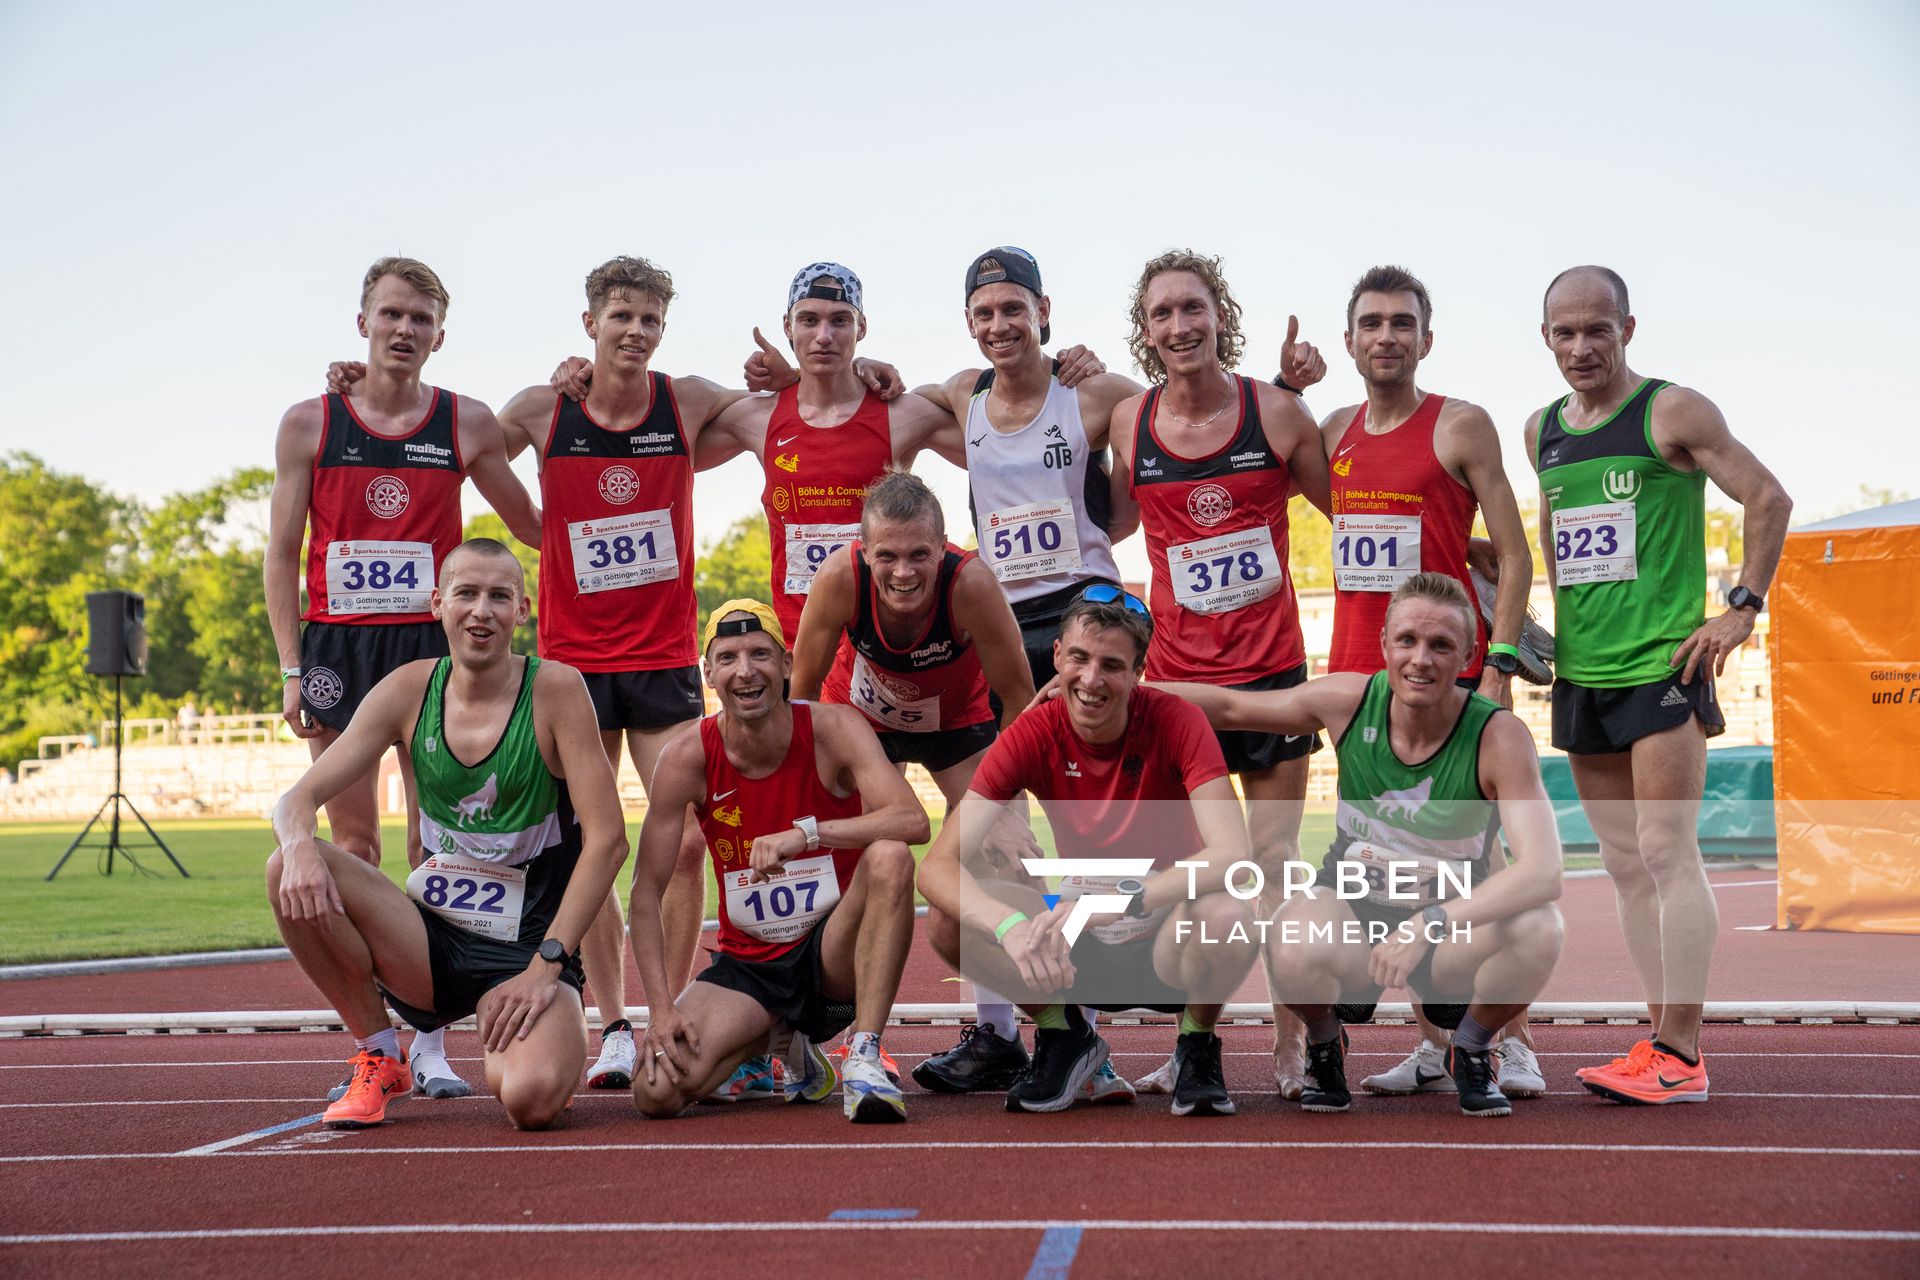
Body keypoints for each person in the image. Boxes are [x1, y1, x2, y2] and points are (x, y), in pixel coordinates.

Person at [268, 257, 541, 1101]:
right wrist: (289, 663)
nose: (404, 329)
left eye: (420, 318)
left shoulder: (465, 424)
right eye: (391, 314)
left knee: (437, 845)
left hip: (432, 651)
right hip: (338, 653)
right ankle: (379, 1042)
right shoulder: (310, 423)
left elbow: (533, 521)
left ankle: (428, 1040)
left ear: (439, 335)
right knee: (351, 845)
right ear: (363, 324)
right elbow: (281, 551)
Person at [1159, 572, 1566, 1117]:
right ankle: (1325, 1042)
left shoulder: (1499, 737)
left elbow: (1543, 872)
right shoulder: (1349, 700)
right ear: (1385, 645)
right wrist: (1119, 689)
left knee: (1541, 927)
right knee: (1286, 929)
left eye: (1441, 645)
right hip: (1354, 915)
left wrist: (1431, 923)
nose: (1421, 659)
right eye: (1408, 641)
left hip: (1448, 930)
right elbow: (1231, 709)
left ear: (1469, 653)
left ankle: (1471, 1048)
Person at [1528, 266, 1791, 1103]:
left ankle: (1682, 1052)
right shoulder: (1541, 431)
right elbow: (1557, 543)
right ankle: (1658, 1043)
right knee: (1623, 866)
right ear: (1546, 339)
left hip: (1663, 667)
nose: (1581, 347)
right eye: (1565, 333)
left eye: (1596, 330)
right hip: (1584, 672)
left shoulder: (1671, 411)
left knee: (1667, 853)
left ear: (1628, 329)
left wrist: (1742, 607)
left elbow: (1767, 496)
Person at [266, 538, 628, 1130]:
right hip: (430, 944)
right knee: (284, 867)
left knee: (531, 1102)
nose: (481, 611)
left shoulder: (556, 690)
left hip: (528, 950)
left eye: (498, 596)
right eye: (466, 593)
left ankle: (529, 1039)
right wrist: (301, 845)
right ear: (437, 603)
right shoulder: (409, 688)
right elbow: (296, 800)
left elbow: (609, 840)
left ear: (523, 610)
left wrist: (547, 966)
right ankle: (380, 1053)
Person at [1314, 265, 1546, 1100]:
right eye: (1371, 323)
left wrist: (1504, 662)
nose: (1386, 336)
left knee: (1472, 854)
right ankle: (1428, 1042)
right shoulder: (1333, 428)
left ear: (1425, 338)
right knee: (1394, 857)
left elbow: (1514, 555)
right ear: (1349, 340)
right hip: (1361, 674)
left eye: (1402, 323)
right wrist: (1281, 384)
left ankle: (1507, 1040)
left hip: (1448, 674)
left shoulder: (1462, 425)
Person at [1106, 249, 1331, 1096]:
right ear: (1147, 329)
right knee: (1198, 873)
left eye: (1192, 308)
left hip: (1272, 677)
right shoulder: (1129, 421)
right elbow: (1111, 522)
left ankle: (1290, 1043)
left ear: (1218, 314)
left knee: (1271, 867)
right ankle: (1195, 1039)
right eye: (1162, 313)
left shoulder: (1275, 414)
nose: (1179, 326)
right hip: (1176, 685)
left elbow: (1353, 512)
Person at [918, 592, 1260, 1115]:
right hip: (1074, 939)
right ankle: (1064, 1036)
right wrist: (1009, 927)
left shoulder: (1178, 721)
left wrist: (1125, 898)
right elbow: (938, 867)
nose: (1092, 679)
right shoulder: (1031, 733)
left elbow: (1233, 855)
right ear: (1056, 655)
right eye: (1079, 658)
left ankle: (1196, 1043)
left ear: (1140, 672)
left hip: (1168, 931)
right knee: (950, 918)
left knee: (1230, 912)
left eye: (1113, 665)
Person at [628, 600, 928, 1123]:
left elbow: (912, 821)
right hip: (751, 965)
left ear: (786, 665)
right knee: (655, 1090)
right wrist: (660, 1009)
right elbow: (645, 894)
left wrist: (807, 834)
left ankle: (864, 1054)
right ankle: (779, 1041)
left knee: (890, 858)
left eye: (760, 654)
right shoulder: (685, 758)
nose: (746, 671)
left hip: (832, 953)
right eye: (728, 658)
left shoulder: (834, 728)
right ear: (709, 675)